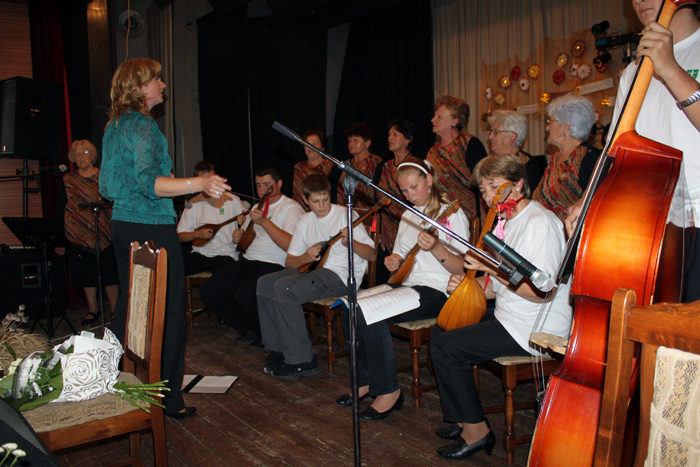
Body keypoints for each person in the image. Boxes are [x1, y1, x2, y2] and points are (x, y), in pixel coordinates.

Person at [100, 58, 230, 420]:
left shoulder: (114, 125)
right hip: (152, 228)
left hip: (123, 225)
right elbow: (150, 184)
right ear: (140, 87)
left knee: (130, 307)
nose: (163, 85)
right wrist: (198, 183)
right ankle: (170, 400)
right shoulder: (143, 125)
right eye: (156, 79)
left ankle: (102, 377)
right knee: (169, 312)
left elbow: (108, 185)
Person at [431, 155, 572, 460]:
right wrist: (467, 286)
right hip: (510, 317)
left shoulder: (541, 222)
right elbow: (498, 286)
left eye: (494, 186)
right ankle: (463, 419)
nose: (488, 196)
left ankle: (477, 432)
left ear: (519, 184)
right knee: (441, 329)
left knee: (447, 348)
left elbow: (542, 293)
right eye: (483, 190)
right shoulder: (504, 223)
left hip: (537, 327)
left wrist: (491, 269)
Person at [566, 0, 700, 302]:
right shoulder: (633, 72)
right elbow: (616, 146)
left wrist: (670, 68)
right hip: (651, 227)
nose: (639, 0)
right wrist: (586, 200)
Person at [337, 159, 470, 420]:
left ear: (429, 180)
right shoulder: (409, 215)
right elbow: (400, 261)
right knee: (348, 304)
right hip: (409, 285)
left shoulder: (451, 214)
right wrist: (393, 261)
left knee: (369, 311)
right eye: (404, 191)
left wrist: (436, 248)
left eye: (414, 187)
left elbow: (463, 268)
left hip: (440, 290)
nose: (409, 195)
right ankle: (364, 381)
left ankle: (389, 391)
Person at [257, 174, 376, 379]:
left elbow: (372, 255)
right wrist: (306, 256)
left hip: (341, 276)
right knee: (264, 283)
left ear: (330, 195)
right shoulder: (305, 220)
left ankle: (301, 360)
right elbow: (290, 262)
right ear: (305, 200)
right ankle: (279, 349)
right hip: (315, 271)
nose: (321, 206)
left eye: (325, 199)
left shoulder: (346, 214)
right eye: (315, 201)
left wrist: (352, 243)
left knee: (284, 289)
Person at [199, 165, 305, 349]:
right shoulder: (257, 207)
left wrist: (264, 222)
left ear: (279, 184)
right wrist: (238, 237)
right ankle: (249, 330)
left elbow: (291, 245)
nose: (262, 190)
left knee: (245, 295)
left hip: (274, 263)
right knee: (209, 290)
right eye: (258, 185)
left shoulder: (291, 208)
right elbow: (245, 241)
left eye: (267, 185)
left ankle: (268, 337)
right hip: (249, 260)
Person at [57, 140, 119, 326]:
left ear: (93, 155)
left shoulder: (104, 176)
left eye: (85, 152)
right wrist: (60, 240)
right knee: (86, 273)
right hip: (78, 234)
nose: (81, 156)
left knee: (109, 274)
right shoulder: (68, 179)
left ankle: (115, 310)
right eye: (77, 154)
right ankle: (93, 309)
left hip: (105, 232)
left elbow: (114, 201)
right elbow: (61, 207)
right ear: (72, 158)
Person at [531, 93, 600, 221]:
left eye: (550, 122)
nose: (547, 127)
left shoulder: (591, 158)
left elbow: (594, 204)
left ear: (565, 128)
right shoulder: (554, 159)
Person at [375, 117, 423, 284]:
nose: (390, 138)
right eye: (389, 134)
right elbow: (377, 201)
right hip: (387, 230)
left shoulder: (416, 165)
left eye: (395, 134)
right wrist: (380, 229)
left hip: (411, 227)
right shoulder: (383, 167)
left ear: (408, 139)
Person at [177, 161, 245, 275]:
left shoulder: (231, 199)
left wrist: (241, 228)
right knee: (175, 269)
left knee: (225, 276)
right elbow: (180, 236)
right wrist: (196, 234)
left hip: (225, 254)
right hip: (200, 253)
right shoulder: (193, 203)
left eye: (211, 179)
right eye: (204, 180)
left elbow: (247, 226)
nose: (209, 183)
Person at [427, 95, 488, 221]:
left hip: (471, 218)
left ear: (454, 121)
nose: (432, 120)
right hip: (442, 218)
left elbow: (485, 181)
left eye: (439, 117)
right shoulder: (432, 152)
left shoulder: (469, 144)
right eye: (434, 116)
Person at [486, 110, 546, 191]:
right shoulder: (488, 163)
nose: (490, 136)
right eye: (491, 131)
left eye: (495, 132)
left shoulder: (526, 166)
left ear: (512, 137)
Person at [336, 122, 383, 211]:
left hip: (368, 213)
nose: (351, 143)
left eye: (356, 140)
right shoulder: (346, 164)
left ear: (367, 143)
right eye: (349, 140)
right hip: (346, 212)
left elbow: (378, 193)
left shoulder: (375, 162)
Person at [292, 129, 334, 210]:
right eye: (307, 143)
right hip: (300, 212)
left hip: (324, 210)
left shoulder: (331, 166)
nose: (310, 147)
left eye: (314, 143)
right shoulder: (298, 167)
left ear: (322, 148)